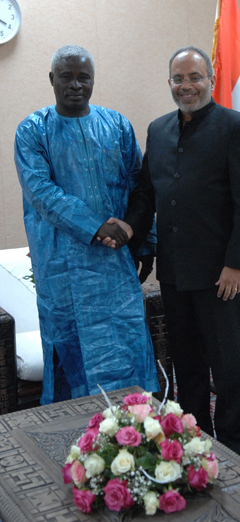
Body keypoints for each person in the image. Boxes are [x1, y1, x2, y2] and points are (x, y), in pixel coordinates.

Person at [105, 46, 240, 456]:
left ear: (211, 80)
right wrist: (130, 227)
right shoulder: (158, 130)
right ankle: (195, 443)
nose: (186, 86)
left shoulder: (238, 129)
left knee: (229, 371)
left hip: (220, 277)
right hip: (175, 274)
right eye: (178, 78)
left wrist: (236, 265)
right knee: (187, 368)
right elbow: (146, 193)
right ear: (170, 83)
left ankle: (234, 449)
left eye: (194, 77)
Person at [14, 45, 159, 405]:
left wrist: (144, 243)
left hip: (115, 266)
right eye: (67, 76)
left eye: (84, 77)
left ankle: (135, 437)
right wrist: (97, 228)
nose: (76, 85)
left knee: (128, 350)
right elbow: (42, 193)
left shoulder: (117, 125)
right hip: (63, 269)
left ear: (94, 80)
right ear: (52, 80)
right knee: (70, 360)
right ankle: (74, 445)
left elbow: (139, 186)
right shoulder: (33, 130)